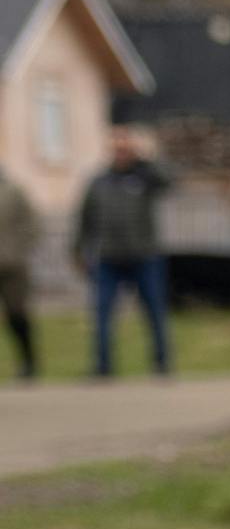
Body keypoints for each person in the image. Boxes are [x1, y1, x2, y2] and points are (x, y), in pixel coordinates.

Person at [74, 128, 173, 376]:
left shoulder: (145, 177)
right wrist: (78, 251)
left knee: (155, 313)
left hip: (144, 256)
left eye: (126, 149)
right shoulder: (98, 182)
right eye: (117, 149)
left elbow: (168, 181)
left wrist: (144, 159)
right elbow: (84, 220)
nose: (121, 153)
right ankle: (103, 366)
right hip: (108, 258)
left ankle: (162, 364)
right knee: (102, 316)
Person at [0, 167, 41, 378]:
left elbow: (32, 222)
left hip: (11, 264)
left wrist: (20, 249)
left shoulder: (12, 191)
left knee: (17, 314)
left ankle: (28, 362)